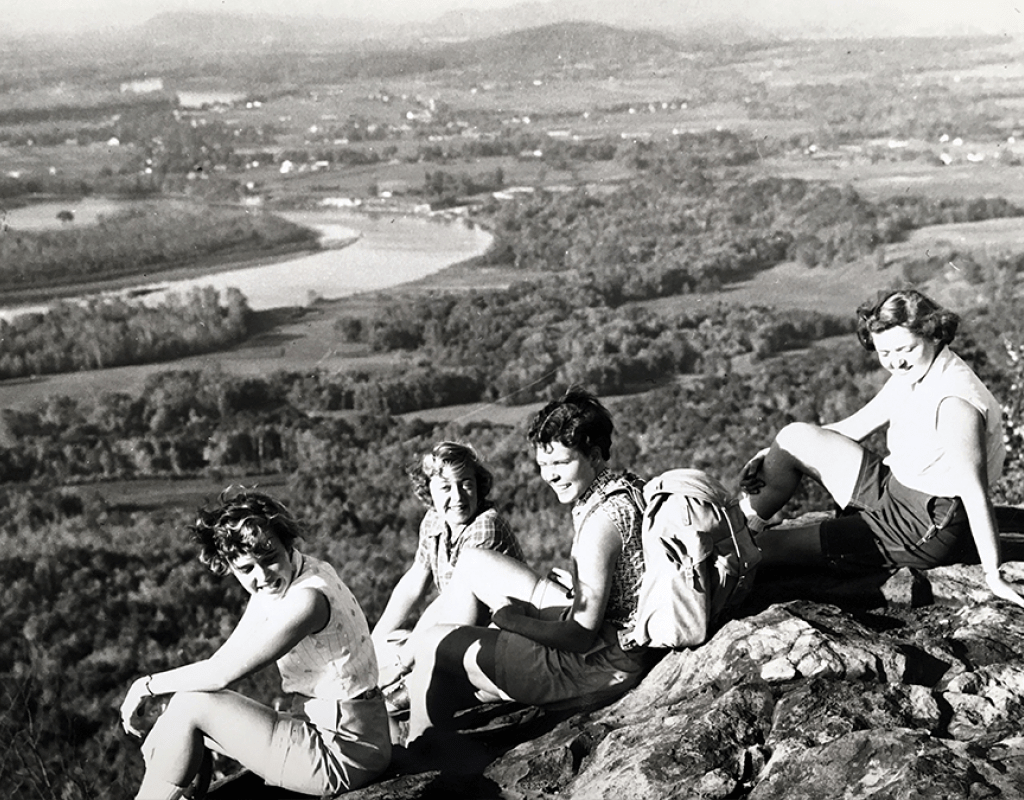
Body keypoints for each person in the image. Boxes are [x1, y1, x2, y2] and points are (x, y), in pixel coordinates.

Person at [738, 288, 1024, 608]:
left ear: (933, 334)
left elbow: (975, 493)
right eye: (884, 352)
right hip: (894, 486)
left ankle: (744, 545)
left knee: (769, 550)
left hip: (924, 523)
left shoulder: (955, 404)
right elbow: (854, 427)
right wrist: (773, 452)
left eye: (905, 348)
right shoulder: (915, 372)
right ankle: (745, 525)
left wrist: (993, 575)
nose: (895, 361)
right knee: (794, 437)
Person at [402, 387, 653, 749]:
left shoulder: (599, 525)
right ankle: (455, 668)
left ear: (595, 456)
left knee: (431, 641)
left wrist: (510, 621)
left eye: (561, 463)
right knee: (472, 563)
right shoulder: (622, 486)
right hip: (607, 638)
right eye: (544, 465)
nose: (549, 476)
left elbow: (580, 636)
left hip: (595, 665)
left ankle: (421, 747)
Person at [120, 487, 391, 800]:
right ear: (230, 567)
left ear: (288, 545)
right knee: (187, 704)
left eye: (269, 559)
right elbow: (223, 659)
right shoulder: (291, 578)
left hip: (343, 752)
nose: (262, 576)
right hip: (328, 730)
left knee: (191, 704)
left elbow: (222, 674)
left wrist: (145, 685)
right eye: (246, 568)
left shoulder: (308, 599)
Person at [372, 441, 524, 705]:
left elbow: (452, 603)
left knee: (404, 674)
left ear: (478, 485)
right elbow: (413, 583)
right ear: (428, 493)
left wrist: (402, 663)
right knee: (386, 646)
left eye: (465, 483)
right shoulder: (434, 520)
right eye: (445, 488)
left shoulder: (485, 527)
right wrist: (371, 645)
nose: (457, 497)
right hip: (457, 630)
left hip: (494, 638)